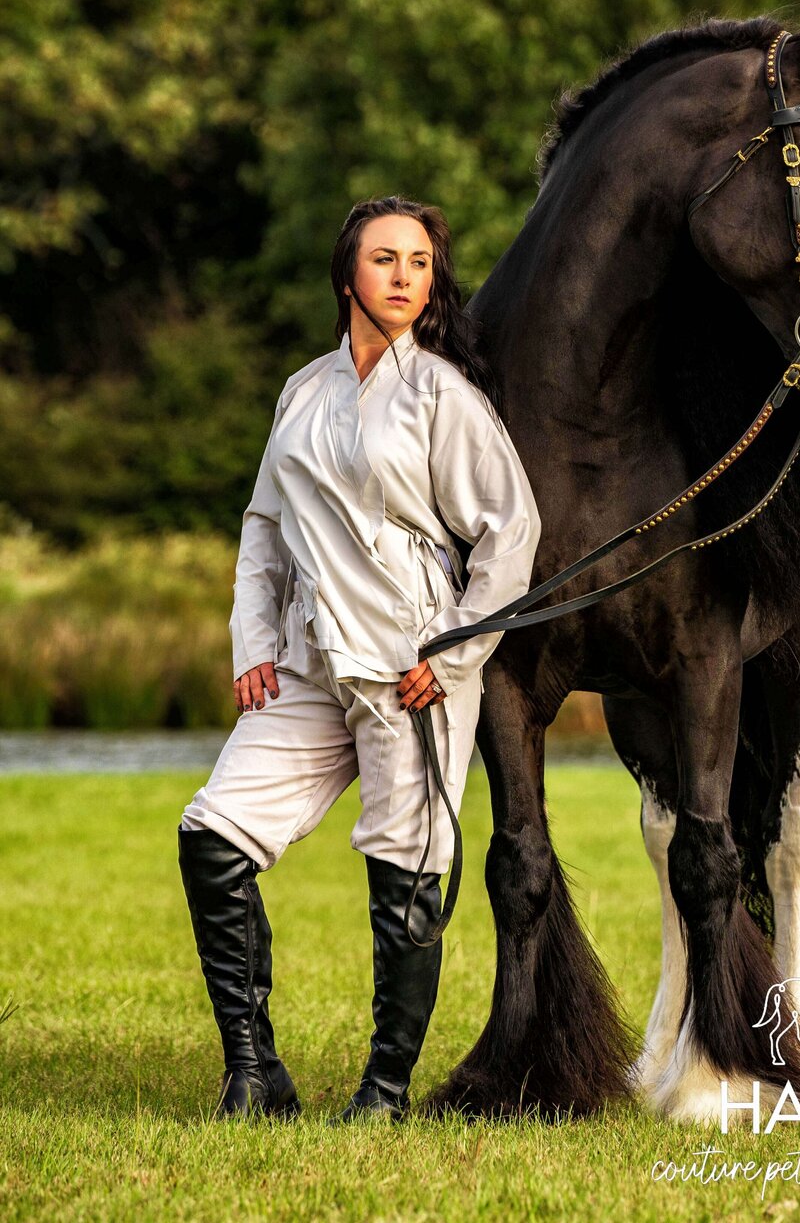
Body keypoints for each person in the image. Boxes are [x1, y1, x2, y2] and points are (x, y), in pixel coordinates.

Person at [177, 196, 541, 1123]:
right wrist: (254, 642)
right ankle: (255, 1074)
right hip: (306, 664)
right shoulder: (302, 389)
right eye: (386, 259)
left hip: (408, 670)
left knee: (406, 874)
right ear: (349, 275)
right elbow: (264, 525)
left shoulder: (443, 397)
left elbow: (511, 531)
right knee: (211, 837)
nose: (405, 276)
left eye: (420, 262)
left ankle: (383, 1090)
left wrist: (456, 653)